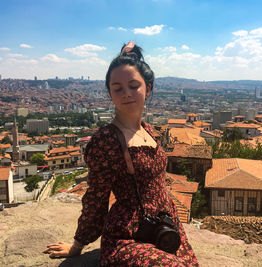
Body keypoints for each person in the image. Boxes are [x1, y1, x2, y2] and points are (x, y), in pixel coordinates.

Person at [43, 41, 199, 266]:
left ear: (149, 88)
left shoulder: (148, 130)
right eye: (117, 88)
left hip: (165, 228)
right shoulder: (106, 140)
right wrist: (77, 246)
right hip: (129, 237)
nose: (126, 94)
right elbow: (96, 198)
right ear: (110, 93)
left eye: (134, 85)